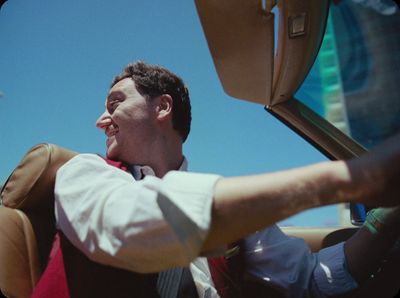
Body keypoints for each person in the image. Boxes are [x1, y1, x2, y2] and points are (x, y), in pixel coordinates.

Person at [40, 61, 400, 297]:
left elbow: (313, 279)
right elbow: (136, 223)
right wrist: (351, 179)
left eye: (115, 103)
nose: (101, 119)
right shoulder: (84, 173)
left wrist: (384, 220)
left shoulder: (233, 211)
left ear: (163, 107)